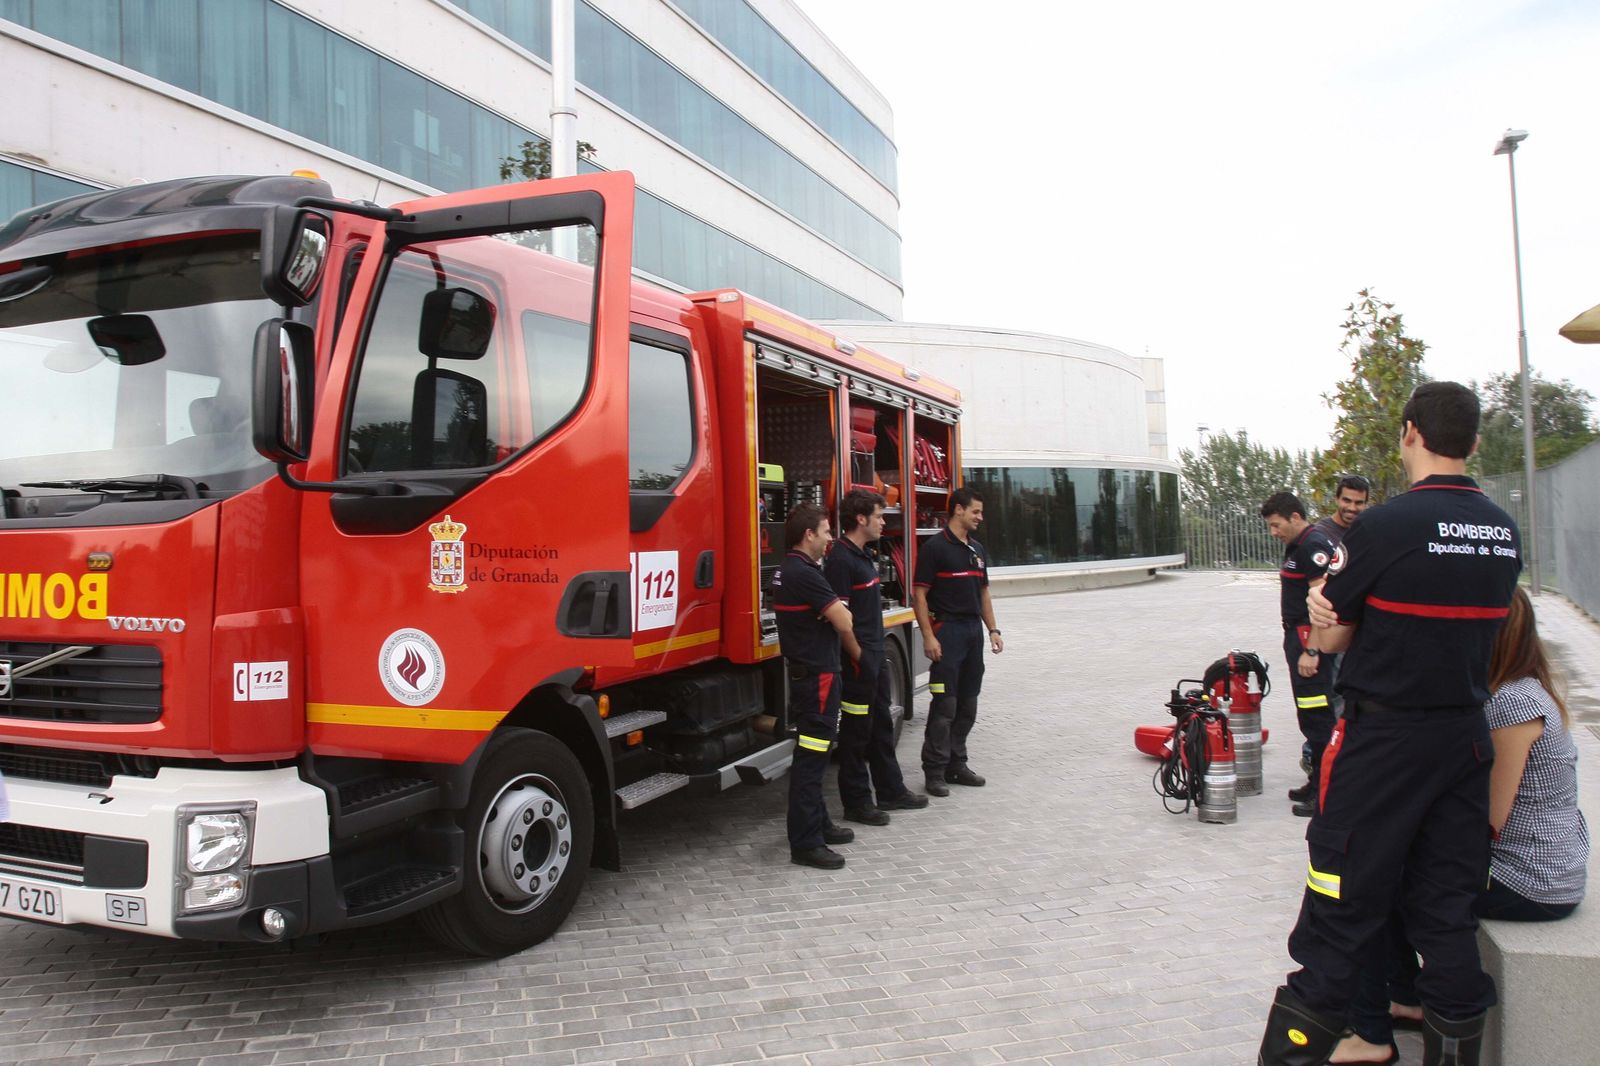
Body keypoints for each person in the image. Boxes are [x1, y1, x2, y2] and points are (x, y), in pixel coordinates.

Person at [1257, 382, 1522, 1066]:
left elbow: (1335, 636)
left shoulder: (1383, 527)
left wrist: (1325, 613)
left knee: (1338, 905)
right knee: (1445, 911)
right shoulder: (1501, 530)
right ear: (1474, 443)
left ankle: (1319, 1044)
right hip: (1464, 739)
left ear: (1409, 433)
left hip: (1384, 742)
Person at [1478, 586, 1589, 920]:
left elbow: (1489, 818)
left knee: (1388, 875)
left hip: (1528, 882)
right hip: (1542, 872)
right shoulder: (1519, 688)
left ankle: (1426, 974)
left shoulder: (1513, 702)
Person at [824, 489, 930, 826]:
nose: (885, 522)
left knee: (882, 724)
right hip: (859, 661)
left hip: (873, 656)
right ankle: (856, 803)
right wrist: (859, 657)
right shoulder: (841, 560)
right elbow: (840, 619)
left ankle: (890, 790)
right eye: (880, 516)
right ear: (861, 518)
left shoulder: (862, 555)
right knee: (857, 733)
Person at [773, 502, 862, 870]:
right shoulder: (805, 573)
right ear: (808, 534)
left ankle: (820, 824)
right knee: (812, 758)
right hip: (818, 676)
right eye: (826, 532)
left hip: (811, 674)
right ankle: (806, 843)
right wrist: (841, 614)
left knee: (819, 755)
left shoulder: (792, 570)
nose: (830, 540)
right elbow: (843, 619)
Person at [913, 486, 1004, 798]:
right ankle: (935, 771)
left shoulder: (976, 550)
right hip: (947, 632)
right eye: (976, 511)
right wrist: (928, 636)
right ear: (958, 511)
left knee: (968, 704)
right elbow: (919, 595)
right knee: (945, 705)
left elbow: (984, 593)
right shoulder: (935, 549)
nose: (980, 516)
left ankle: (957, 764)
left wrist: (993, 630)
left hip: (971, 633)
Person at [1260, 491, 1337, 817]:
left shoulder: (1313, 545)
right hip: (1298, 640)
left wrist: (1312, 650)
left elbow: (1325, 602)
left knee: (1319, 720)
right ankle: (1315, 781)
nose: (1273, 532)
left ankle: (1325, 794)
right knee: (1309, 717)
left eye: (1277, 525)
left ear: (1295, 516)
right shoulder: (1297, 546)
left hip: (1310, 643)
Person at [1313, 474, 1372, 547]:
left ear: (1366, 504)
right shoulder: (1319, 534)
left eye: (1358, 503)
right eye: (1347, 501)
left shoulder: (1368, 534)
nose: (1352, 508)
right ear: (1337, 499)